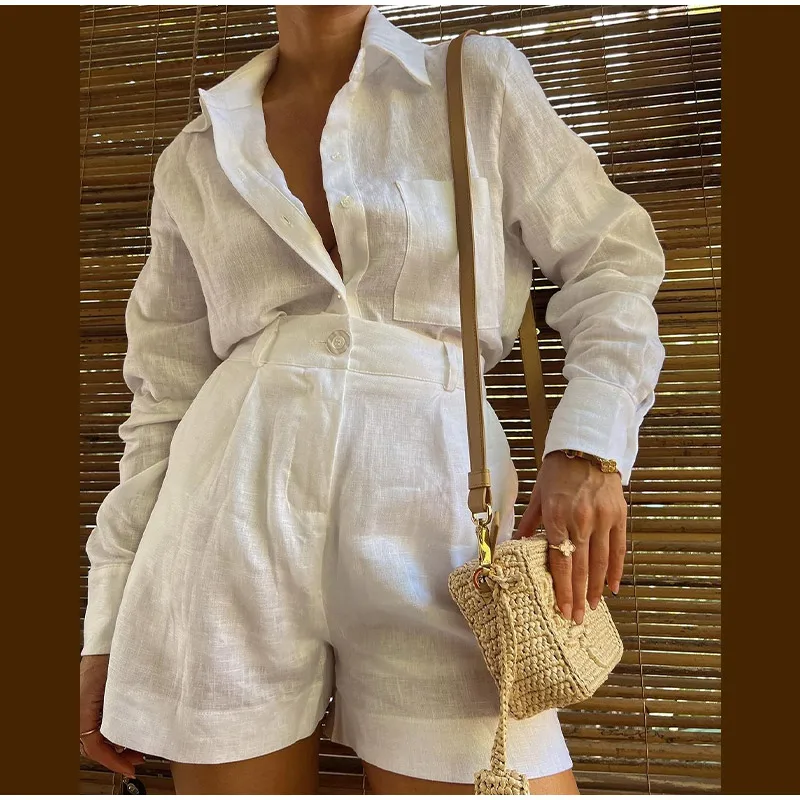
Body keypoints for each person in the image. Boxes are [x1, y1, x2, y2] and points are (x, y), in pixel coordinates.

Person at [79, 5, 665, 795]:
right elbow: (162, 397)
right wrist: (107, 625)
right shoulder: (197, 152)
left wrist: (589, 445)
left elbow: (612, 260)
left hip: (441, 523)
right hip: (225, 521)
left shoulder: (472, 81)